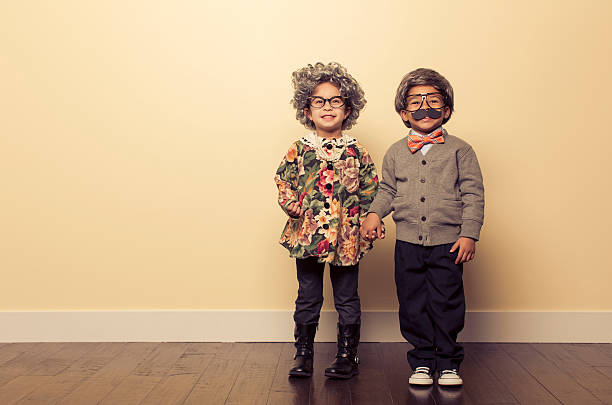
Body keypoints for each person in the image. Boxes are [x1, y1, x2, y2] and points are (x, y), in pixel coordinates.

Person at [361, 68, 484, 386]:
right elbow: (387, 189)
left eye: (433, 100)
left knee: (447, 301)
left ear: (446, 109)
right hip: (407, 243)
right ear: (404, 112)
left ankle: (447, 363)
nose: (424, 107)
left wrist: (469, 232)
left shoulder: (461, 150)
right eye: (416, 101)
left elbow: (473, 193)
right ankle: (422, 361)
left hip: (449, 242)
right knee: (412, 302)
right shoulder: (395, 152)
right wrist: (375, 214)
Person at [275, 62, 378, 379]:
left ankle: (348, 356)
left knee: (347, 296)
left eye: (335, 101)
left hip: (346, 238)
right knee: (308, 295)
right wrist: (291, 204)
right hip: (308, 236)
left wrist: (368, 220)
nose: (327, 107)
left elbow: (370, 188)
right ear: (307, 109)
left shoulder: (357, 151)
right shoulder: (299, 148)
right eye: (319, 101)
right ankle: (303, 354)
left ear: (348, 109)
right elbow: (283, 180)